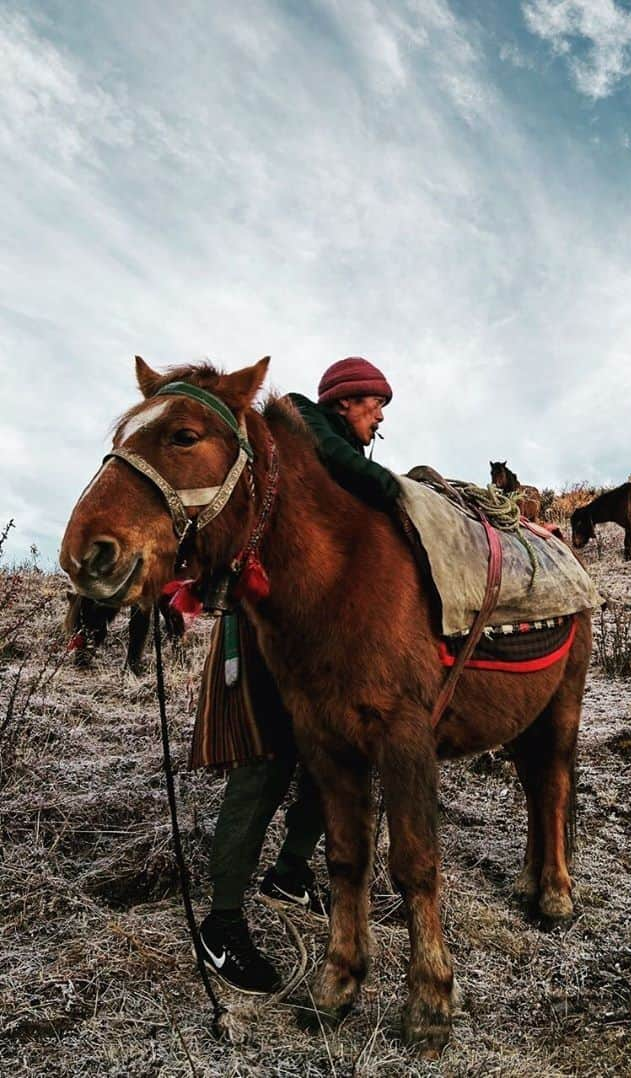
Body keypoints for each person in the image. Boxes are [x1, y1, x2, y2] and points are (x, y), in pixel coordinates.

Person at [196, 357, 400, 993]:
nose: (382, 416)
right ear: (344, 402)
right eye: (375, 403)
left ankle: (288, 873)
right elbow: (378, 486)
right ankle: (221, 927)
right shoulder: (303, 429)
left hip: (314, 640)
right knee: (264, 769)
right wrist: (407, 487)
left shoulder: (319, 451)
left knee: (333, 757)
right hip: (265, 641)